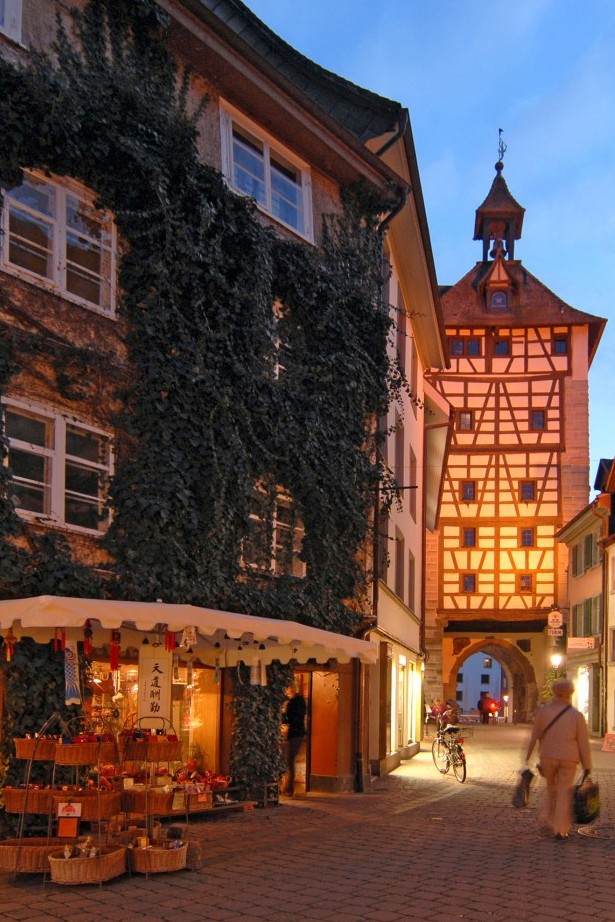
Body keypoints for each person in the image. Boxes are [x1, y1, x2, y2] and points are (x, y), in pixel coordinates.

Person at [525, 678, 592, 839]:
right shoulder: (576, 715)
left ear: (554, 692)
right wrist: (587, 765)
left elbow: (535, 735)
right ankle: (561, 829)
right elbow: (583, 742)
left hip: (548, 756)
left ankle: (548, 819)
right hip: (569, 759)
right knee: (564, 792)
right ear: (570, 693)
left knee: (551, 789)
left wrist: (527, 756)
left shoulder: (544, 712)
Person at [281, 685, 306, 796]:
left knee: (290, 761)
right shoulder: (302, 701)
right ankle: (288, 787)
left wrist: (286, 709)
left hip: (294, 733)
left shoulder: (292, 702)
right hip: (300, 733)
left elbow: (288, 718)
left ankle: (289, 788)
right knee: (291, 760)